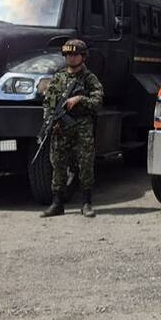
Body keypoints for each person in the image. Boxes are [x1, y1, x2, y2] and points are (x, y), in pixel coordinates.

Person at [40, 39, 104, 219]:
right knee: (58, 164)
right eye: (68, 55)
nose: (71, 58)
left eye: (75, 54)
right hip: (61, 127)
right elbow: (48, 102)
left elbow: (98, 102)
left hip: (82, 126)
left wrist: (80, 100)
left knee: (85, 164)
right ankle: (57, 203)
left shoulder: (89, 78)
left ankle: (86, 203)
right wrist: (50, 122)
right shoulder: (58, 77)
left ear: (83, 57)